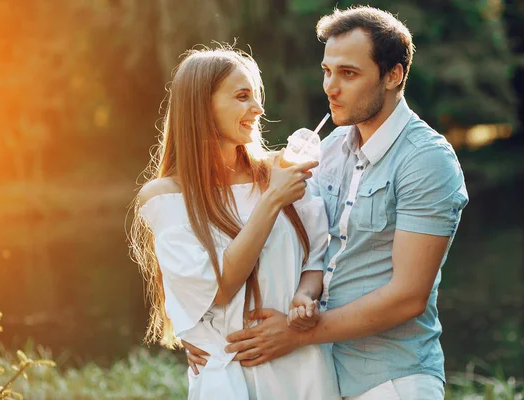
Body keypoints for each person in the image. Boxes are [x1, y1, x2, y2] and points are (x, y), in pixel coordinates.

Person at [184, 6, 469, 400]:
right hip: (321, 376)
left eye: (348, 74)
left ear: (393, 76)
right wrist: (202, 329)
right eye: (327, 71)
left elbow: (409, 296)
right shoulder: (330, 149)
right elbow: (280, 245)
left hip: (392, 378)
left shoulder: (426, 159)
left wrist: (298, 334)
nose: (330, 87)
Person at [129, 46, 340, 400]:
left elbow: (318, 255)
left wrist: (304, 300)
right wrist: (272, 199)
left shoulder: (284, 172)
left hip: (302, 370)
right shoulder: (166, 198)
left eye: (256, 97)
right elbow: (219, 287)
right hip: (226, 375)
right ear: (201, 107)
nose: (257, 109)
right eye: (242, 97)